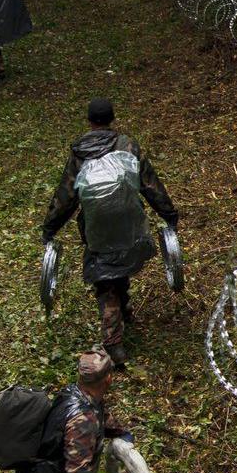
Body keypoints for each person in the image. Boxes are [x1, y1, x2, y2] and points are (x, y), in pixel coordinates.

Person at [41, 99, 180, 368]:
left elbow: (66, 196)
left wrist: (50, 227)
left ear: (90, 120)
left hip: (97, 224)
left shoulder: (80, 153)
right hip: (128, 219)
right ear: (112, 119)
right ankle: (121, 320)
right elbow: (150, 184)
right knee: (122, 260)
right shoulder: (128, 145)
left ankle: (113, 341)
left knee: (105, 278)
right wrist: (168, 214)